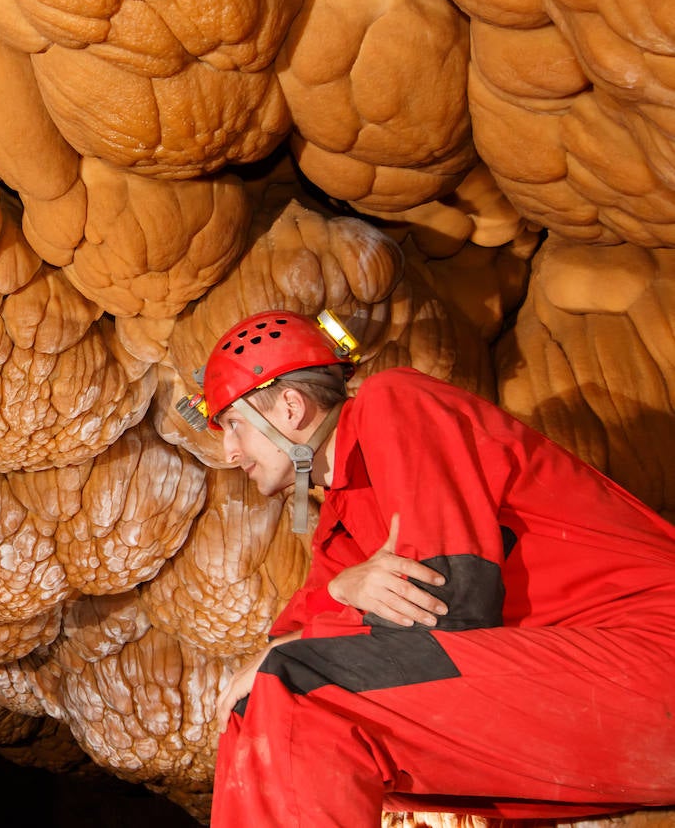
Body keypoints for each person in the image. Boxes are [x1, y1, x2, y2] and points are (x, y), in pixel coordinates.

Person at [200, 309, 675, 826]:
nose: (229, 451)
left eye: (234, 424)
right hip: (588, 699)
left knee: (295, 690)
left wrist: (319, 620)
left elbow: (448, 604)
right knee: (258, 712)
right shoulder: (342, 519)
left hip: (651, 658)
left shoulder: (396, 403)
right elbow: (291, 642)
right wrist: (339, 593)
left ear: (290, 407)